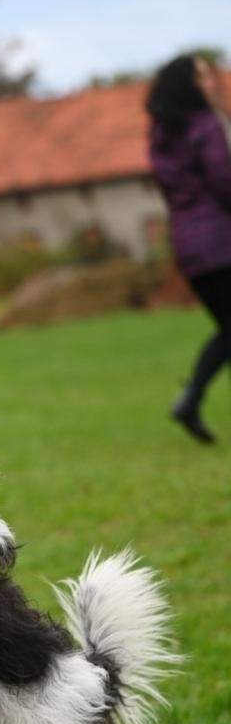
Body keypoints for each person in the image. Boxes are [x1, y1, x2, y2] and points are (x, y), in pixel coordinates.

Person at [146, 53, 231, 443]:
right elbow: (224, 181)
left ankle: (191, 399)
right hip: (221, 240)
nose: (211, 82)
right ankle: (191, 398)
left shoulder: (162, 134)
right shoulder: (204, 124)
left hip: (189, 246)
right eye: (203, 77)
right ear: (189, 85)